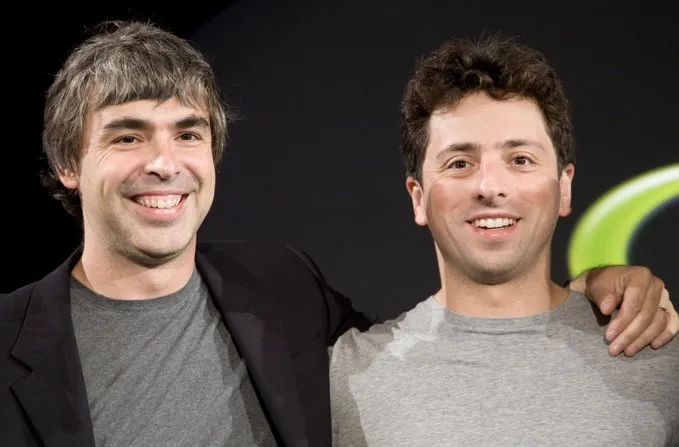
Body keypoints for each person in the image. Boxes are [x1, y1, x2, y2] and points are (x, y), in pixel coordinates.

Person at [0, 21, 674, 447]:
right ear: (67, 162)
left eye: (188, 134)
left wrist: (598, 283)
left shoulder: (284, 291)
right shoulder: (7, 343)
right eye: (126, 136)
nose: (163, 163)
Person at [330, 35, 679, 446]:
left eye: (520, 160)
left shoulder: (661, 353)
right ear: (418, 198)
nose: (490, 186)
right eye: (460, 163)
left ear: (564, 187)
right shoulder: (343, 375)